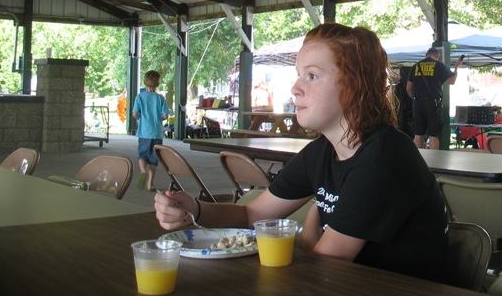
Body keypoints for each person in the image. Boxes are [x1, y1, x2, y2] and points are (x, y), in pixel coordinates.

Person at [154, 24, 448, 282]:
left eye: (312, 75)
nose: (295, 88)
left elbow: (325, 264)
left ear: (354, 84)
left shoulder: (384, 155)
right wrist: (195, 209)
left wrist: (307, 242)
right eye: (298, 75)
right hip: (348, 295)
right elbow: (251, 214)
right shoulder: (321, 152)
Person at [406, 47, 464, 149]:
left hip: (418, 103)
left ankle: (418, 158)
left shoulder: (416, 66)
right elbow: (452, 81)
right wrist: (456, 67)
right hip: (433, 104)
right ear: (437, 56)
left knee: (418, 135)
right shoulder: (439, 65)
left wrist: (415, 98)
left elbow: (408, 88)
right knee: (433, 135)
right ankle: (433, 159)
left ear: (426, 55)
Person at [132, 70, 170, 191]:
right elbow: (165, 116)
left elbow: (134, 114)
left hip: (144, 132)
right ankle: (150, 183)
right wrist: (158, 118)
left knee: (142, 155)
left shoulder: (139, 97)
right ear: (157, 83)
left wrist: (140, 117)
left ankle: (143, 172)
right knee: (154, 159)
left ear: (145, 82)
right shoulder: (160, 98)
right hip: (157, 133)